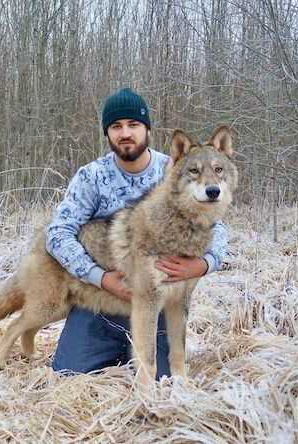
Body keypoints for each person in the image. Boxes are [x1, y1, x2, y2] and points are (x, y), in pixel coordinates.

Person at [45, 88, 228, 379]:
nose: (125, 133)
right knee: (68, 374)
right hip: (101, 300)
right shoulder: (91, 176)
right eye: (116, 126)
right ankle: (110, 349)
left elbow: (217, 227)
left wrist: (203, 264)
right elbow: (57, 235)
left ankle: (136, 357)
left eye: (133, 125)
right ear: (108, 134)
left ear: (147, 130)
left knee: (166, 380)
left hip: (156, 301)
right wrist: (101, 278)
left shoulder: (181, 168)